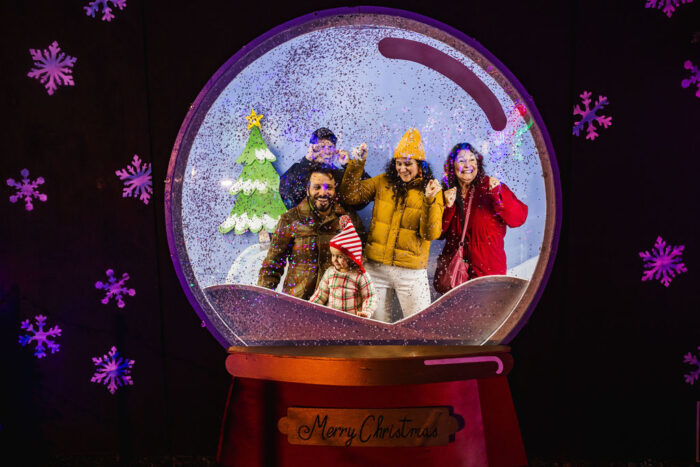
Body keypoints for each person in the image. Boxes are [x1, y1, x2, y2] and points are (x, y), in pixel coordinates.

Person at [339, 128, 443, 323]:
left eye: (408, 164)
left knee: (418, 326)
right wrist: (356, 165)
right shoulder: (383, 181)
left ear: (420, 165)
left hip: (411, 271)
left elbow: (431, 234)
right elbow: (350, 196)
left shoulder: (431, 189)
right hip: (376, 268)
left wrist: (429, 201)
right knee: (374, 326)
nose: (402, 169)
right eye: (399, 163)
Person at [258, 163, 365, 300]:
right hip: (298, 300)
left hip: (335, 302)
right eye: (317, 187)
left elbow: (360, 257)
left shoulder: (347, 218)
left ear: (334, 190)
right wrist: (262, 298)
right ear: (308, 190)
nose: (323, 193)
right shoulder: (291, 218)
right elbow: (273, 263)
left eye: (329, 188)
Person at [438, 143, 528, 281]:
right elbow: (438, 233)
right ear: (452, 166)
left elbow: (518, 218)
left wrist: (498, 195)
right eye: (461, 160)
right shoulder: (447, 192)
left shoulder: (490, 186)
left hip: (487, 274)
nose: (467, 165)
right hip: (456, 275)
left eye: (472, 160)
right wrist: (448, 207)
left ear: (478, 163)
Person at [279, 127, 370, 209]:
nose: (327, 151)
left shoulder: (340, 175)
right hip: (306, 226)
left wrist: (349, 165)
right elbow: (288, 198)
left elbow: (365, 197)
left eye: (330, 147)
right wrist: (307, 161)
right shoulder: (298, 169)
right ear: (312, 148)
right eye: (322, 146)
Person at [309, 215, 376, 318]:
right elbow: (321, 295)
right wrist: (309, 307)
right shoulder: (330, 272)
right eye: (333, 255)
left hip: (352, 320)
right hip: (331, 319)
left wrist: (366, 311)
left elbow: (370, 297)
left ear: (351, 257)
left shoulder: (360, 276)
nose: (334, 260)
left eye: (340, 256)